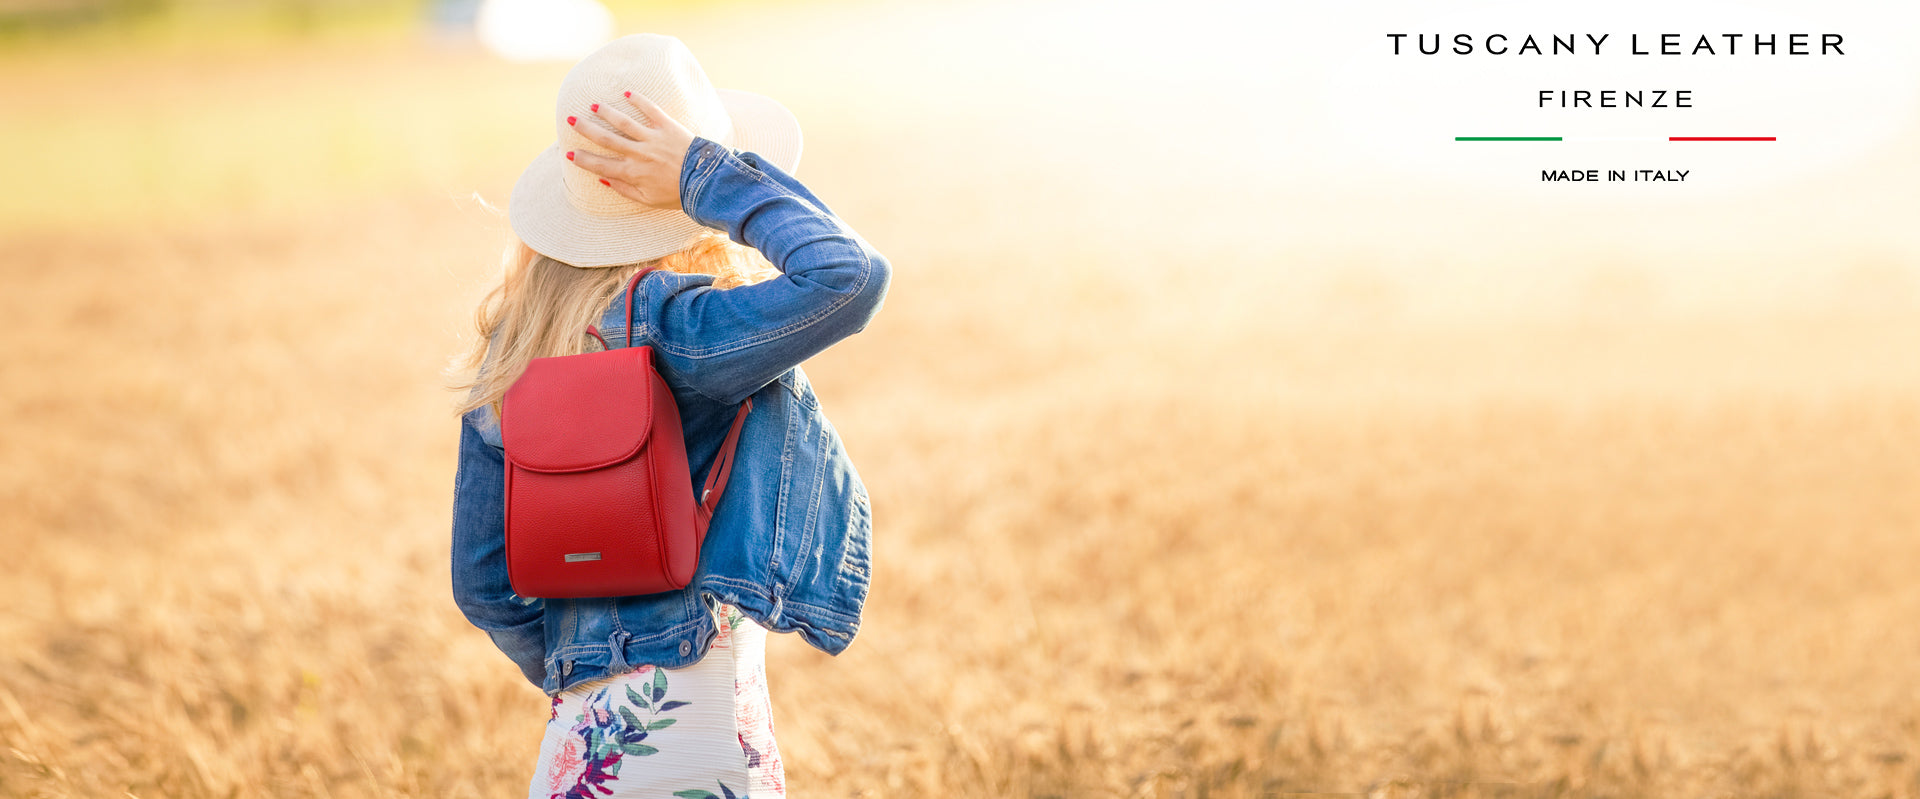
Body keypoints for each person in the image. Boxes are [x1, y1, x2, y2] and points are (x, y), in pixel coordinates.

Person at [446, 33, 890, 799]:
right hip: (699, 723)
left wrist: (580, 664)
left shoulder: (512, 351)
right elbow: (848, 275)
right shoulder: (684, 330)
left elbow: (484, 583)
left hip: (581, 746)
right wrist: (699, 173)